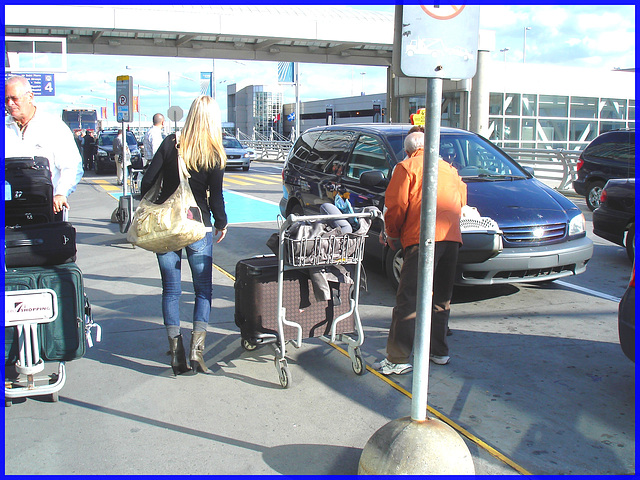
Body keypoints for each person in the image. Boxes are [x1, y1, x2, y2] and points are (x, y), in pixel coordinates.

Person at [140, 95, 228, 376]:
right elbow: (216, 198)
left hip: (167, 225)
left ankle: (176, 353)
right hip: (198, 226)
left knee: (171, 289)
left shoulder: (170, 143)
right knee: (203, 290)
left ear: (190, 115)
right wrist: (221, 223)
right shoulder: (215, 153)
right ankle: (197, 352)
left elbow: (146, 182)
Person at [374, 130, 467, 375]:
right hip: (451, 238)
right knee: (441, 298)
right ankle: (439, 351)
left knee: (409, 299)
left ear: (408, 151)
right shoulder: (449, 168)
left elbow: (395, 207)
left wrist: (391, 234)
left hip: (422, 239)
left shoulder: (406, 167)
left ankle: (397, 358)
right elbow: (462, 200)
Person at [5, 75, 83, 219]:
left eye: (14, 98)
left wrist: (61, 193)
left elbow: (72, 166)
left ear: (30, 97)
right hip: (9, 208)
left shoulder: (53, 126)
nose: (10, 103)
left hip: (47, 208)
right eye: (6, 99)